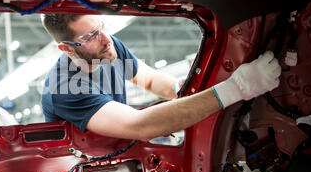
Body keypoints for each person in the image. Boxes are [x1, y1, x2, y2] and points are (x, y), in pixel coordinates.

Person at [41, 14, 281, 141]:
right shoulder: (63, 87)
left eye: (102, 26)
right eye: (92, 35)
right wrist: (237, 88)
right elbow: (140, 126)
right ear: (66, 48)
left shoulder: (108, 49)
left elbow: (152, 81)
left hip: (120, 155)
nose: (106, 38)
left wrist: (186, 94)